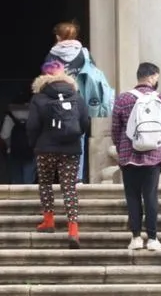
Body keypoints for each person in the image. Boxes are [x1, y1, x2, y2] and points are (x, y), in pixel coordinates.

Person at [27, 60, 90, 249]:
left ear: (43, 77)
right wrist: (75, 136)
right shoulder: (76, 96)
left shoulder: (39, 98)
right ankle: (73, 229)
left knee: (45, 183)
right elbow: (85, 122)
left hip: (45, 148)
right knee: (69, 187)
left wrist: (35, 144)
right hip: (71, 149)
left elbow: (32, 125)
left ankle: (49, 220)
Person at [111, 62, 161, 251]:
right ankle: (153, 238)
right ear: (153, 76)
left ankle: (136, 237)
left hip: (128, 157)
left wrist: (122, 147)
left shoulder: (123, 99)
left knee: (132, 196)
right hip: (153, 157)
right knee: (151, 196)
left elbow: (115, 129)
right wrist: (155, 141)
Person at [43, 20, 114, 184]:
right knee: (79, 138)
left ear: (58, 36)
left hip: (58, 101)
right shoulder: (84, 53)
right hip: (79, 101)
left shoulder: (52, 54)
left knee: (57, 138)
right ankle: (77, 177)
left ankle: (61, 175)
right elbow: (93, 74)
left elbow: (46, 78)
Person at [0, 89, 36, 185]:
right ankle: (28, 199)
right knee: (29, 180)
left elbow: (4, 135)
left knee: (16, 179)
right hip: (31, 151)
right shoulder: (35, 113)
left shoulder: (10, 115)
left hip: (14, 151)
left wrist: (9, 146)